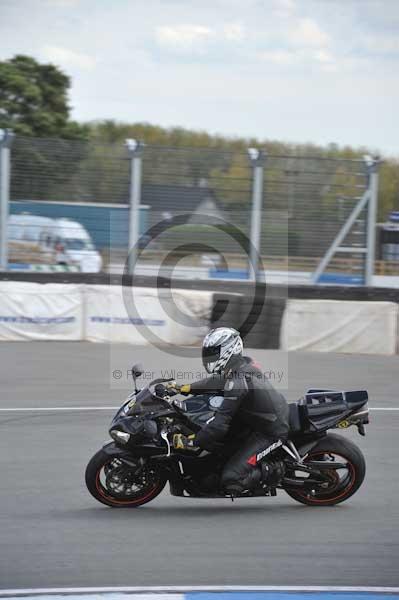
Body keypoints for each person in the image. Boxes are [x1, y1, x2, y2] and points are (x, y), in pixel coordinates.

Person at [172, 327, 289, 495]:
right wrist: (183, 388)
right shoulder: (237, 368)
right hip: (254, 421)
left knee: (231, 477)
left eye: (212, 353)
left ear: (228, 351)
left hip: (270, 431)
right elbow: (215, 381)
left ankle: (271, 471)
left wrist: (193, 442)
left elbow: (219, 424)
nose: (208, 357)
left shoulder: (238, 382)